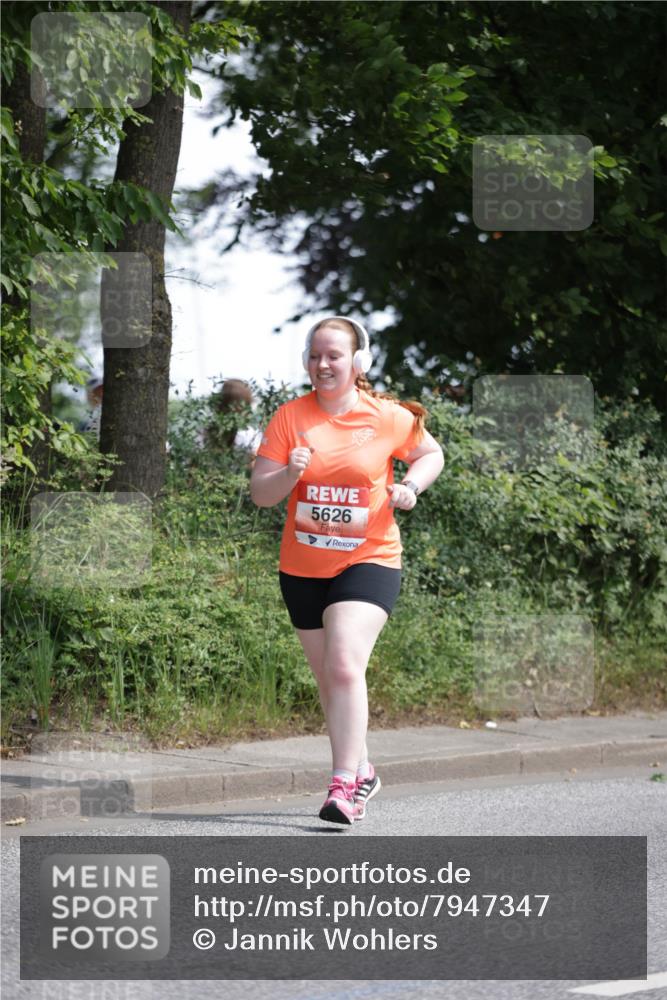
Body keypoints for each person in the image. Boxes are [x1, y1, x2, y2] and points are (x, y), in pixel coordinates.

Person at [250, 316, 444, 825]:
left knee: (342, 664)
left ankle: (344, 788)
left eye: (333, 355)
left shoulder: (386, 417)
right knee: (331, 679)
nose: (322, 364)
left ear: (358, 362)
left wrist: (411, 487)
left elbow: (431, 453)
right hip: (302, 567)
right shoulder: (290, 417)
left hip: (369, 558)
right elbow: (261, 494)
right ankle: (362, 766)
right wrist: (289, 473)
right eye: (314, 355)